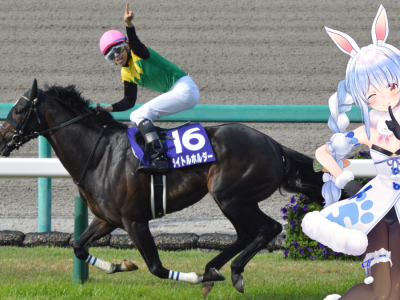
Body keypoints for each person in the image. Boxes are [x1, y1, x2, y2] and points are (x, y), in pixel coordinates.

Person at [301, 5, 400, 300]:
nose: (384, 96)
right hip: (378, 210)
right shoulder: (368, 131)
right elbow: (324, 151)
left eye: (392, 85)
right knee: (381, 292)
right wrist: (344, 179)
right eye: (372, 94)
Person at [99, 3, 199, 173]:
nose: (116, 56)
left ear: (126, 46)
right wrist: (106, 109)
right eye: (111, 56)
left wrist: (128, 25)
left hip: (183, 88)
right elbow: (129, 101)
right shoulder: (125, 73)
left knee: (139, 115)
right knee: (135, 116)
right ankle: (159, 149)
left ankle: (158, 157)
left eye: (117, 50)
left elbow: (135, 42)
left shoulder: (139, 52)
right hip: (179, 91)